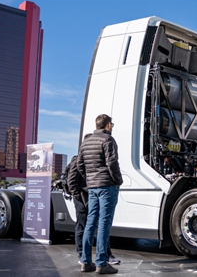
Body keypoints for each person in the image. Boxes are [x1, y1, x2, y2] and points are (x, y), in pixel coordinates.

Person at [66, 134, 122, 267]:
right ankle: (82, 255)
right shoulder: (77, 160)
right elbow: (71, 181)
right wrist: (79, 197)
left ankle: (100, 256)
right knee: (86, 225)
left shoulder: (87, 160)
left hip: (91, 193)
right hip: (83, 197)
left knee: (95, 224)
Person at [78, 114, 123, 274]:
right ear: (108, 125)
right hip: (107, 186)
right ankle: (102, 263)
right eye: (112, 124)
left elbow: (80, 165)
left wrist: (90, 179)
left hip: (92, 187)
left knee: (91, 223)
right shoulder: (108, 140)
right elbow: (112, 163)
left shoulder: (86, 142)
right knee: (104, 223)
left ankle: (85, 261)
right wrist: (118, 180)